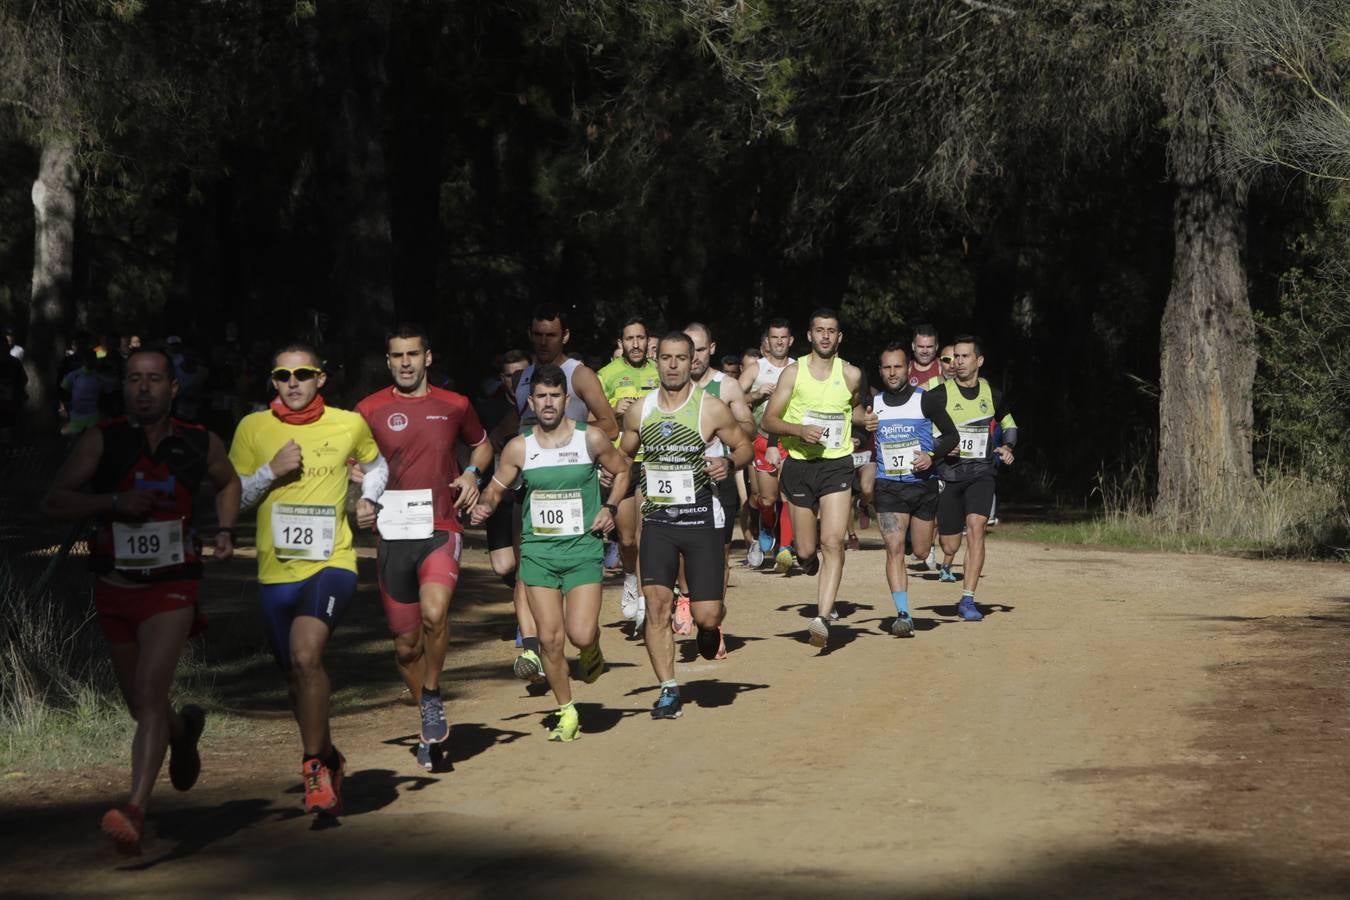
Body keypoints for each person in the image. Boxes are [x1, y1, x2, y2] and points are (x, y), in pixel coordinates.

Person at [44, 347, 240, 855]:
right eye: (134, 379)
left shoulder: (199, 441)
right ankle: (183, 730)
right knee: (139, 704)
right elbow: (55, 501)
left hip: (174, 584)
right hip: (115, 584)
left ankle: (135, 807)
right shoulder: (103, 439)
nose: (144, 388)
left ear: (173, 388)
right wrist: (112, 503)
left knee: (152, 691)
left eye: (154, 379)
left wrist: (223, 529)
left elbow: (229, 481)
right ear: (124, 387)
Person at [229, 342, 388, 817]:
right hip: (276, 571)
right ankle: (330, 755)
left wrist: (369, 498)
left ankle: (313, 764)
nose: (292, 383)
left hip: (331, 563)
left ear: (321, 379)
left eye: (302, 375)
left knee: (306, 654)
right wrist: (269, 472)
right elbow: (233, 498)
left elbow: (377, 464)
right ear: (273, 381)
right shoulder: (253, 427)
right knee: (295, 677)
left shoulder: (348, 423)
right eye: (282, 375)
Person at [356, 325, 492, 771]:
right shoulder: (369, 410)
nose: (406, 363)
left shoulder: (454, 404)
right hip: (393, 534)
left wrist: (472, 473)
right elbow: (348, 464)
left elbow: (482, 445)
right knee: (405, 647)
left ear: (428, 357)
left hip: (440, 525)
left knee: (436, 614)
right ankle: (428, 716)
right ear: (388, 361)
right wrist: (361, 492)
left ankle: (432, 694)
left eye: (413, 354)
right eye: (397, 356)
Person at [470, 364, 631, 740]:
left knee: (581, 633)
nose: (547, 403)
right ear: (530, 401)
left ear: (567, 400)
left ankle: (591, 650)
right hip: (539, 554)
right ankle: (566, 709)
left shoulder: (589, 439)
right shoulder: (519, 446)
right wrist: (485, 505)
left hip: (582, 552)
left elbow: (622, 471)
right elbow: (496, 487)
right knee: (550, 639)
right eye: (540, 396)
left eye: (554, 396)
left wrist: (609, 508)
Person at [621, 332, 752, 718]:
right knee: (657, 607)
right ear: (656, 360)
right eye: (666, 358)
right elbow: (622, 456)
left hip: (700, 520)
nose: (673, 365)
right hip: (658, 521)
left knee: (707, 613)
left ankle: (710, 629)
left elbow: (742, 446)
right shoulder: (639, 410)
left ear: (692, 359)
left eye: (681, 357)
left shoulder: (709, 408)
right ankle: (667, 689)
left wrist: (729, 463)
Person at [508, 307, 618, 681]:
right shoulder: (524, 376)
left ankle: (585, 643)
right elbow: (516, 422)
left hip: (571, 485)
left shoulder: (579, 374)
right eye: (537, 335)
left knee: (579, 621)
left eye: (550, 335)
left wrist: (567, 439)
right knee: (526, 562)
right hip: (530, 481)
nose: (543, 342)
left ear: (564, 336)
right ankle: (532, 648)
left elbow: (610, 423)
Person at [762, 308, 866, 649]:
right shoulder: (793, 373)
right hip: (800, 466)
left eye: (831, 331)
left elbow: (855, 410)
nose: (825, 336)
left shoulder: (851, 374)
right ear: (809, 335)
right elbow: (769, 419)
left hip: (836, 465)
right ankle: (808, 562)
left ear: (839, 337)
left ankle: (822, 617)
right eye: (819, 330)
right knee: (807, 550)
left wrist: (867, 422)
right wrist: (798, 430)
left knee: (832, 541)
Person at [859, 344, 958, 636]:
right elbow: (854, 427)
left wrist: (932, 456)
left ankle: (925, 549)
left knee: (921, 550)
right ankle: (903, 613)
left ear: (907, 369)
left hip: (923, 486)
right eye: (887, 367)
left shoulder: (925, 401)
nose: (892, 373)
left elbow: (951, 435)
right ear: (880, 371)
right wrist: (861, 428)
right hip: (889, 487)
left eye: (898, 367)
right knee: (894, 548)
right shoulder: (873, 406)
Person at [925, 335, 1018, 620]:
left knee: (976, 526)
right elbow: (920, 430)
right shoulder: (938, 395)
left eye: (965, 357)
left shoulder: (992, 393)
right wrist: (941, 445)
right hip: (949, 475)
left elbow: (1009, 422)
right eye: (955, 357)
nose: (959, 362)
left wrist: (1008, 446)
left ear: (979, 361)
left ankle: (968, 599)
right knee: (950, 545)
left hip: (981, 473)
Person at [685, 321, 755, 652]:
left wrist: (724, 423)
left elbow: (749, 429)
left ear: (711, 349)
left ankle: (714, 625)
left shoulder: (725, 386)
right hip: (676, 483)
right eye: (689, 349)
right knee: (678, 550)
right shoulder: (669, 386)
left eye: (700, 349)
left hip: (717, 480)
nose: (694, 356)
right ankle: (685, 597)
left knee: (719, 553)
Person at [596, 317, 660, 627]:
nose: (636, 344)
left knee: (648, 534)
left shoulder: (659, 371)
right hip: (620, 462)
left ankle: (647, 597)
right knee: (628, 537)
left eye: (641, 338)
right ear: (621, 343)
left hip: (652, 461)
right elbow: (590, 420)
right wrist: (612, 410)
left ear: (649, 341)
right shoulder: (606, 375)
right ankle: (631, 579)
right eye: (629, 339)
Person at [738, 320, 796, 569]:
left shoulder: (798, 368)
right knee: (767, 499)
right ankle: (766, 522)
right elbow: (733, 398)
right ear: (767, 342)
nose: (780, 342)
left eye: (784, 337)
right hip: (761, 439)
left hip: (791, 439)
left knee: (789, 495)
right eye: (775, 338)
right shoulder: (755, 368)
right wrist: (757, 394)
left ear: (790, 340)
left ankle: (785, 548)